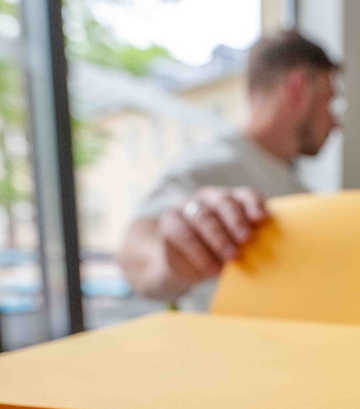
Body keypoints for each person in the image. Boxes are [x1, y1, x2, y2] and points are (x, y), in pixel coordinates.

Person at [119, 31, 340, 310]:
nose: (335, 123)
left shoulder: (296, 188)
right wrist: (173, 258)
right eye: (330, 101)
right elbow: (136, 253)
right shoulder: (211, 166)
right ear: (298, 89)